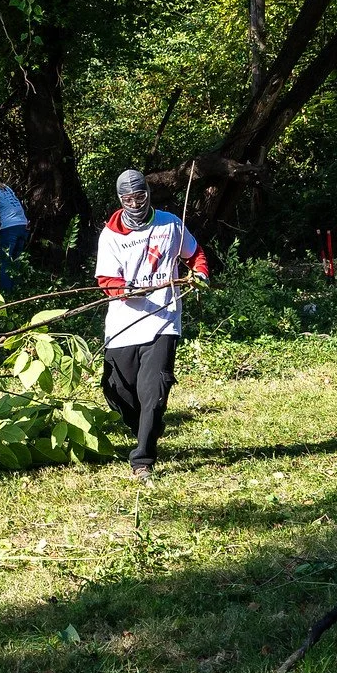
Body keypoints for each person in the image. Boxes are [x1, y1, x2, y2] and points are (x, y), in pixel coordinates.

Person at [97, 168, 209, 480]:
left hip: (163, 319)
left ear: (149, 193)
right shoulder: (111, 235)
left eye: (141, 195)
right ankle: (148, 425)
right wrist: (125, 291)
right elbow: (106, 279)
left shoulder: (170, 223)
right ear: (121, 199)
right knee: (117, 390)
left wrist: (199, 273)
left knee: (155, 387)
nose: (135, 203)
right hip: (124, 324)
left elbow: (195, 253)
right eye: (128, 198)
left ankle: (142, 460)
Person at [0, 173, 32, 292]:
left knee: (6, 260)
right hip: (22, 224)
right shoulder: (5, 187)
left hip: (9, 226)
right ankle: (18, 290)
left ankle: (6, 293)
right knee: (16, 260)